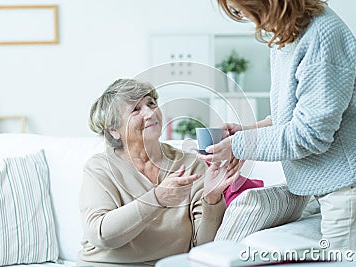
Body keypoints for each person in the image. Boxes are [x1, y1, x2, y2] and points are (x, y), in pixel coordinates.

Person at [199, 0, 356, 252]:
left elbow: (311, 134)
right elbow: (294, 116)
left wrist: (238, 146)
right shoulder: (287, 34)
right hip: (332, 183)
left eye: (240, 9)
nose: (242, 16)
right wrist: (248, 131)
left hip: (350, 182)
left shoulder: (321, 36)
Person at [78, 79, 240, 266]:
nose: (150, 112)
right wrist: (157, 199)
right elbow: (101, 234)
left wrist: (212, 199)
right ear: (114, 130)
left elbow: (201, 247)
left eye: (151, 103)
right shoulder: (100, 168)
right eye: (135, 110)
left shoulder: (190, 164)